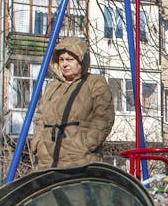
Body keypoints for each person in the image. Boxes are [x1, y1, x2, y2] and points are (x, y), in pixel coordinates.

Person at [31, 37, 115, 170]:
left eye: (70, 59)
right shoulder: (52, 87)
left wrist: (86, 145)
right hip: (47, 160)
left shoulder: (94, 83)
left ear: (81, 60)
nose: (64, 64)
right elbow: (40, 117)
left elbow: (104, 117)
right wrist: (38, 143)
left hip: (80, 160)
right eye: (61, 59)